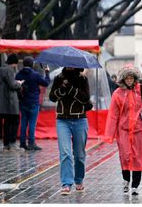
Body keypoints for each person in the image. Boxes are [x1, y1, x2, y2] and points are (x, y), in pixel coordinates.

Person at [105, 65, 142, 195]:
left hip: (139, 130)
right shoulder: (117, 94)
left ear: (135, 78)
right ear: (123, 79)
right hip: (123, 130)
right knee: (125, 156)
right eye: (127, 78)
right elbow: (113, 115)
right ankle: (126, 180)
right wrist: (110, 134)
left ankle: (135, 185)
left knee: (138, 157)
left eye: (131, 78)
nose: (129, 80)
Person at [49, 67, 92, 195]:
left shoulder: (82, 79)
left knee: (79, 155)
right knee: (65, 153)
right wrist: (62, 88)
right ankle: (66, 183)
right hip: (62, 121)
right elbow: (52, 97)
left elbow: (85, 97)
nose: (69, 66)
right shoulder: (59, 78)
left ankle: (79, 180)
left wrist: (71, 88)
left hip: (80, 120)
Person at [15, 56, 50, 151]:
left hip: (23, 101)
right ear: (32, 64)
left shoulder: (18, 75)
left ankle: (22, 143)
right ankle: (31, 143)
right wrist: (47, 73)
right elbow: (46, 83)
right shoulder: (35, 75)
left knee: (23, 122)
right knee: (32, 123)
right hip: (33, 102)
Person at [0, 54, 23, 151]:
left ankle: (6, 145)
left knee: (6, 123)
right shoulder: (9, 70)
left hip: (2, 102)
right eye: (15, 64)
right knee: (14, 121)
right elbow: (12, 85)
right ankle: (12, 143)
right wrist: (19, 83)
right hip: (10, 102)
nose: (15, 66)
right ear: (13, 63)